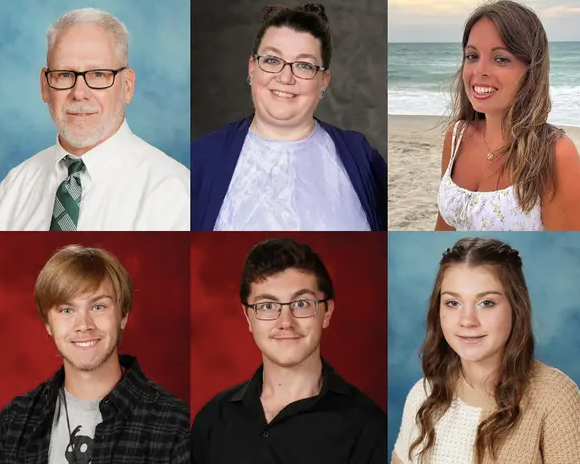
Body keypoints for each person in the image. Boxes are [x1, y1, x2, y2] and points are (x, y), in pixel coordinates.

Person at [190, 4, 386, 231]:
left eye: (304, 65)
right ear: (252, 68)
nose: (285, 77)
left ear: (323, 80)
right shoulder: (201, 158)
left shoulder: (362, 156)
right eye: (272, 60)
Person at [191, 238, 386, 463]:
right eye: (267, 306)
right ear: (248, 317)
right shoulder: (212, 420)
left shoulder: (369, 429)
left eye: (301, 304)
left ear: (327, 312)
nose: (286, 322)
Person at [391, 237, 580, 464]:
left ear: (516, 308)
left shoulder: (555, 397)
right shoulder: (422, 395)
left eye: (486, 303)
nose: (467, 320)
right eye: (453, 303)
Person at [0, 8, 190, 231]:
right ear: (44, 86)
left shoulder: (172, 192)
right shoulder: (14, 187)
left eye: (98, 74)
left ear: (127, 86)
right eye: (64, 75)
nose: (79, 92)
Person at [0, 245, 191, 463]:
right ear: (48, 324)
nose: (83, 325)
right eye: (66, 310)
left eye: (98, 307)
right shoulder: (13, 421)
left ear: (123, 315)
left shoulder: (175, 426)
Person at [436, 0, 580, 231]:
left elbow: (565, 255)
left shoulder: (555, 154)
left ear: (531, 71)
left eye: (501, 59)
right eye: (472, 56)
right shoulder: (457, 136)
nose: (479, 71)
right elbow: (444, 231)